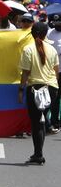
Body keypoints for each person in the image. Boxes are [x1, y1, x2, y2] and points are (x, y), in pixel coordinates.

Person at [18, 22, 59, 164]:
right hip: (51, 88)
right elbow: (56, 71)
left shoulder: (28, 49)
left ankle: (38, 154)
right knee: (42, 120)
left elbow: (25, 73)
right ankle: (39, 153)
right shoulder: (52, 50)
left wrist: (21, 90)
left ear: (32, 33)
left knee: (36, 123)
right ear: (45, 34)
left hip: (35, 88)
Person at [46, 15, 61, 134]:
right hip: (53, 72)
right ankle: (54, 121)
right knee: (54, 98)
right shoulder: (49, 33)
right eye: (55, 22)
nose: (57, 24)